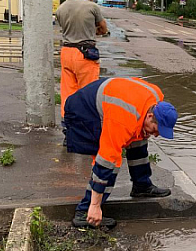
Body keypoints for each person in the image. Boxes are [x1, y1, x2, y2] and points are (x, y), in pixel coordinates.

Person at [63, 76, 178, 229]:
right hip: (83, 112)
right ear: (150, 116)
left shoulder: (155, 97)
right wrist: (95, 206)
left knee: (140, 137)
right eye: (156, 130)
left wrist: (148, 131)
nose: (156, 135)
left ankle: (141, 186)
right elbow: (106, 159)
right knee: (111, 162)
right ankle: (84, 212)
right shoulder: (123, 120)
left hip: (107, 100)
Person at [55, 0, 108, 119]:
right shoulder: (92, 7)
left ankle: (68, 125)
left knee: (68, 92)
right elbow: (103, 28)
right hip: (85, 54)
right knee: (88, 93)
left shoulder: (60, 9)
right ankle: (85, 128)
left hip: (66, 52)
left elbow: (66, 27)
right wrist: (94, 31)